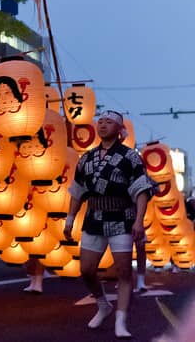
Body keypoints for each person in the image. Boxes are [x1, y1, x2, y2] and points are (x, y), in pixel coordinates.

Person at [64, 110, 154, 339]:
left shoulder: (130, 157)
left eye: (109, 122)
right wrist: (70, 219)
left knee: (124, 271)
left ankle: (121, 320)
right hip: (94, 217)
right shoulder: (86, 158)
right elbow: (77, 192)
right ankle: (103, 304)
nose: (102, 125)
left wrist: (138, 221)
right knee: (86, 269)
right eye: (100, 121)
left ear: (119, 128)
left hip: (121, 217)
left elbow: (141, 190)